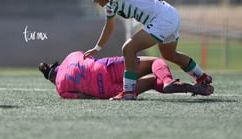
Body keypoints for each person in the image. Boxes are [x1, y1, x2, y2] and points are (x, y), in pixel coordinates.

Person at [71, 0, 213, 100]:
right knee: (170, 55)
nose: (94, 0)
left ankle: (129, 91)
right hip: (169, 15)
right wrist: (97, 48)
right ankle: (203, 78)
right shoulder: (110, 6)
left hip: (163, 17)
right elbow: (108, 28)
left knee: (128, 48)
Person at [39, 51, 214, 99]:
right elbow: (90, 58)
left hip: (105, 91)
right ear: (57, 65)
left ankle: (189, 88)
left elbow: (83, 96)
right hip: (105, 68)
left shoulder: (60, 89)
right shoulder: (71, 56)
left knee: (153, 82)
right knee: (154, 62)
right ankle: (168, 80)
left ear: (51, 79)